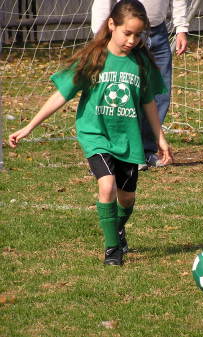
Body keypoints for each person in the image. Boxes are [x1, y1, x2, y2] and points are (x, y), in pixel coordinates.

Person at [9, 0, 173, 266]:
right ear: (111, 25)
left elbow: (149, 102)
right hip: (95, 133)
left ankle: (117, 229)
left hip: (127, 138)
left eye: (137, 34)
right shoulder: (94, 58)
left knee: (127, 197)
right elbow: (62, 95)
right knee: (106, 185)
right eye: (126, 33)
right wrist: (29, 127)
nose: (132, 40)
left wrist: (160, 137)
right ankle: (112, 250)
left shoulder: (140, 62)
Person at [92, 0, 189, 170]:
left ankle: (145, 151)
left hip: (158, 31)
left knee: (159, 93)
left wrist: (181, 28)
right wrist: (100, 35)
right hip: (123, 33)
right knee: (122, 95)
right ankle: (109, 153)